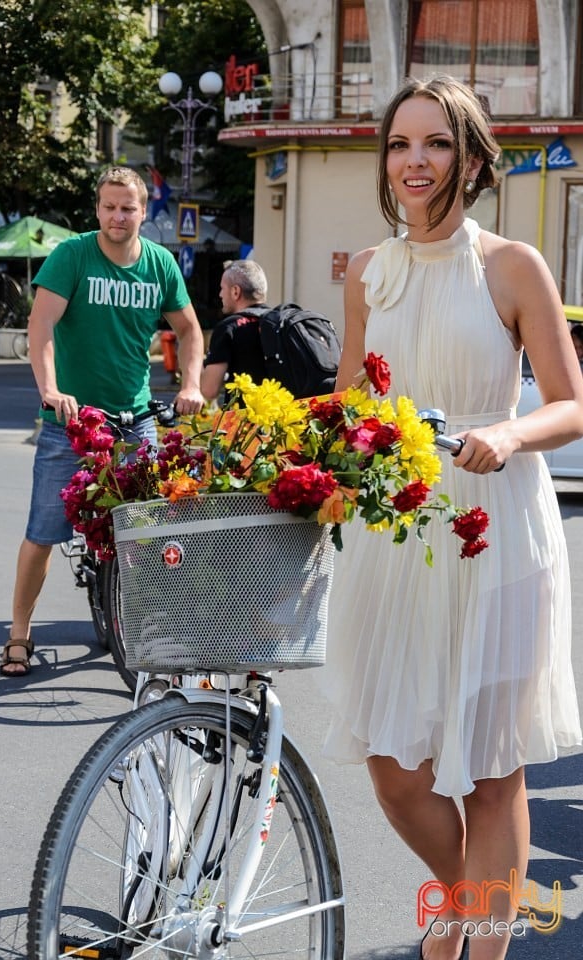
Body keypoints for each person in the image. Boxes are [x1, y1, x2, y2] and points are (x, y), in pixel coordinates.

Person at [322, 76, 583, 960]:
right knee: (397, 774)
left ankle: (466, 939)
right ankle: (471, 898)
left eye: (435, 144)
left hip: (498, 531)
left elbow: (571, 404)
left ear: (470, 159)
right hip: (395, 539)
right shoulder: (370, 272)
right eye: (400, 145)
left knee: (492, 768)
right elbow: (349, 397)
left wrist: (507, 434)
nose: (415, 162)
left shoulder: (511, 264)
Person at [0, 165, 205, 676]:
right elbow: (41, 325)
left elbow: (190, 332)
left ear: (143, 212)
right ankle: (19, 634)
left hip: (134, 419)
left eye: (128, 207)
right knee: (44, 532)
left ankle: (153, 627)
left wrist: (191, 385)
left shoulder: (159, 264)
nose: (119, 216)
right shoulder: (73, 256)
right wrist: (50, 389)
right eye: (110, 206)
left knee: (151, 531)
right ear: (98, 210)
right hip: (70, 422)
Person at [200, 259, 269, 402]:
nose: (220, 294)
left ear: (235, 291)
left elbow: (208, 390)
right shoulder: (277, 322)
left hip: (245, 419)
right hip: (281, 418)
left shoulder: (229, 328)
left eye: (222, 288)